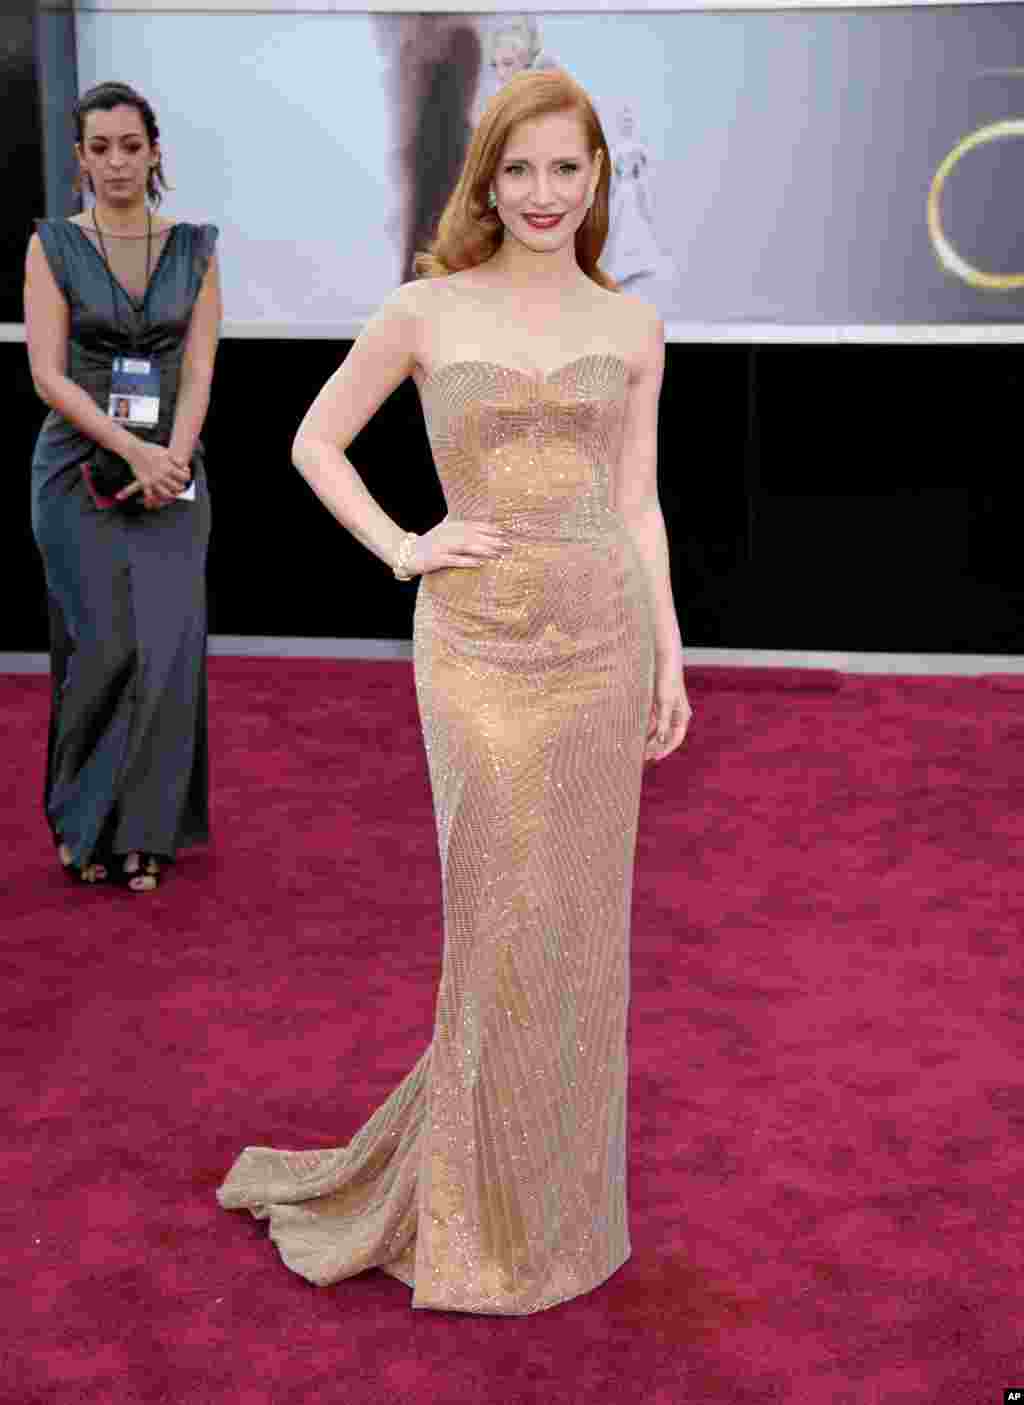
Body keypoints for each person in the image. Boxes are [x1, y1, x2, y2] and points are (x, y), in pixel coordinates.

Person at [217, 68, 691, 1315]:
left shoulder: (632, 328)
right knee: (496, 932)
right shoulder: (425, 308)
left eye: (565, 170)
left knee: (581, 942)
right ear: (484, 177)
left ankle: (556, 1219)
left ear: (598, 181)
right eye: (518, 169)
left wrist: (672, 652)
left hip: (601, 645)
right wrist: (403, 545)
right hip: (476, 651)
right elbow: (314, 439)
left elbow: (635, 502)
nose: (541, 193)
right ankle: (467, 1219)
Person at [24, 81, 221, 891]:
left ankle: (147, 833)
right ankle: (85, 821)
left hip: (173, 466)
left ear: (154, 151)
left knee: (168, 649)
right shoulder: (52, 245)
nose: (116, 163)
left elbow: (201, 364)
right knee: (104, 646)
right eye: (99, 149)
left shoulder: (195, 246)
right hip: (77, 467)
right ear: (80, 159)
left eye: (130, 147)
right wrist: (129, 454)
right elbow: (47, 373)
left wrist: (169, 458)